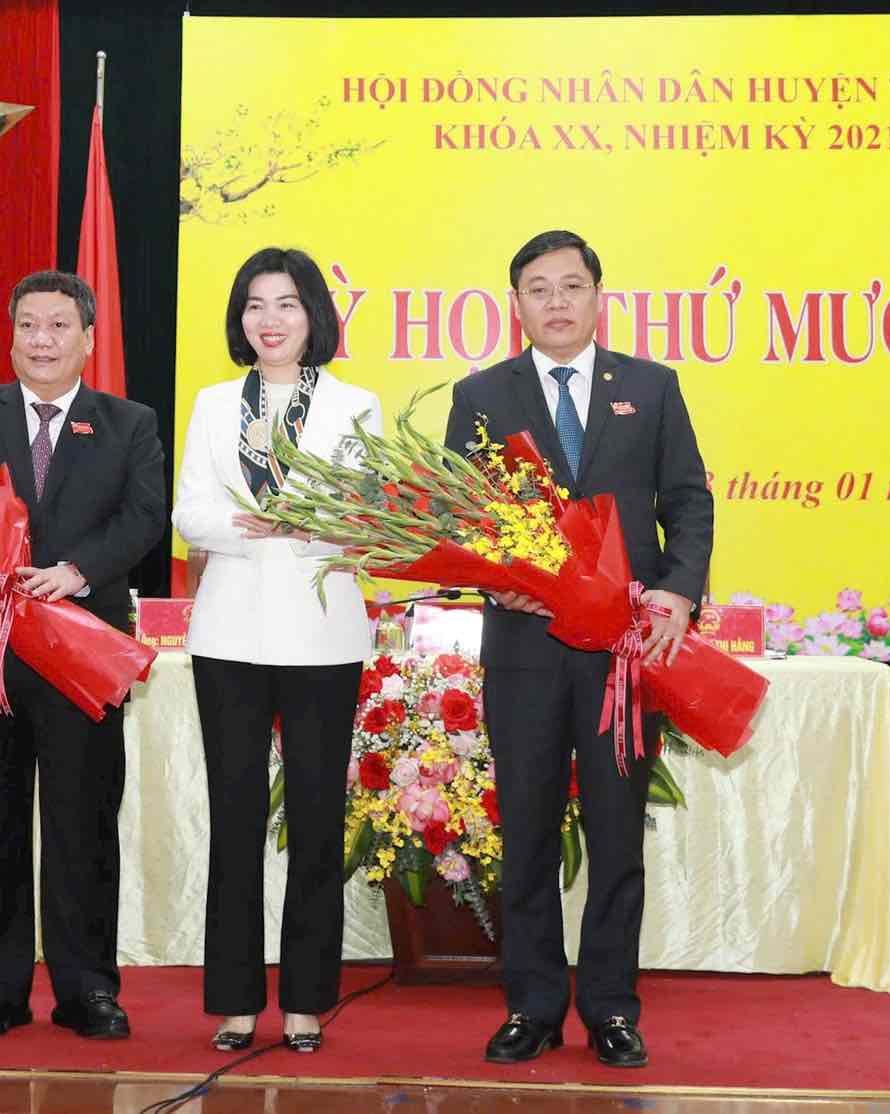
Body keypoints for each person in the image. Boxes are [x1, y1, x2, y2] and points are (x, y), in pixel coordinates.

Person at [444, 230, 714, 1069]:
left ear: (599, 296)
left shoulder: (651, 386)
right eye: (538, 288)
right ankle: (531, 1005)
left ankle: (611, 1008)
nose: (556, 302)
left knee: (616, 833)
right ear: (516, 304)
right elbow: (460, 515)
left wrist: (678, 590)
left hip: (621, 653)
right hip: (524, 646)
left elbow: (688, 501)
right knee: (525, 829)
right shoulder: (482, 394)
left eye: (571, 286)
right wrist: (494, 581)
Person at [0, 270, 166, 1043]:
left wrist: (77, 570)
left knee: (84, 826)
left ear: (88, 338)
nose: (42, 340)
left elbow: (145, 515)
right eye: (28, 326)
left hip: (80, 652)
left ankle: (88, 989)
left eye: (58, 326)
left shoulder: (129, 423)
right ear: (11, 334)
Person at [172, 247, 383, 1055]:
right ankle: (234, 1001)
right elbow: (190, 511)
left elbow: (367, 516)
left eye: (287, 303)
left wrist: (305, 525)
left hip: (323, 634)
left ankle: (305, 1001)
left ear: (313, 316)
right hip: (229, 632)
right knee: (234, 819)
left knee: (318, 819)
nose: (270, 319)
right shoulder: (214, 403)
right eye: (256, 304)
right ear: (240, 318)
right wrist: (247, 526)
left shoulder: (355, 406)